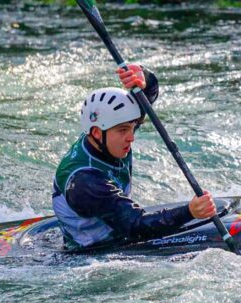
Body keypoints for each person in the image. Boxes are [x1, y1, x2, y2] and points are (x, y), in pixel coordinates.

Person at [52, 64, 217, 250]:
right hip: (96, 253)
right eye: (124, 130)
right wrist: (190, 212)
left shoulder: (108, 136)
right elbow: (135, 226)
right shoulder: (85, 182)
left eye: (133, 126)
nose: (132, 137)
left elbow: (148, 96)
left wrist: (142, 77)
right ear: (97, 133)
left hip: (119, 228)